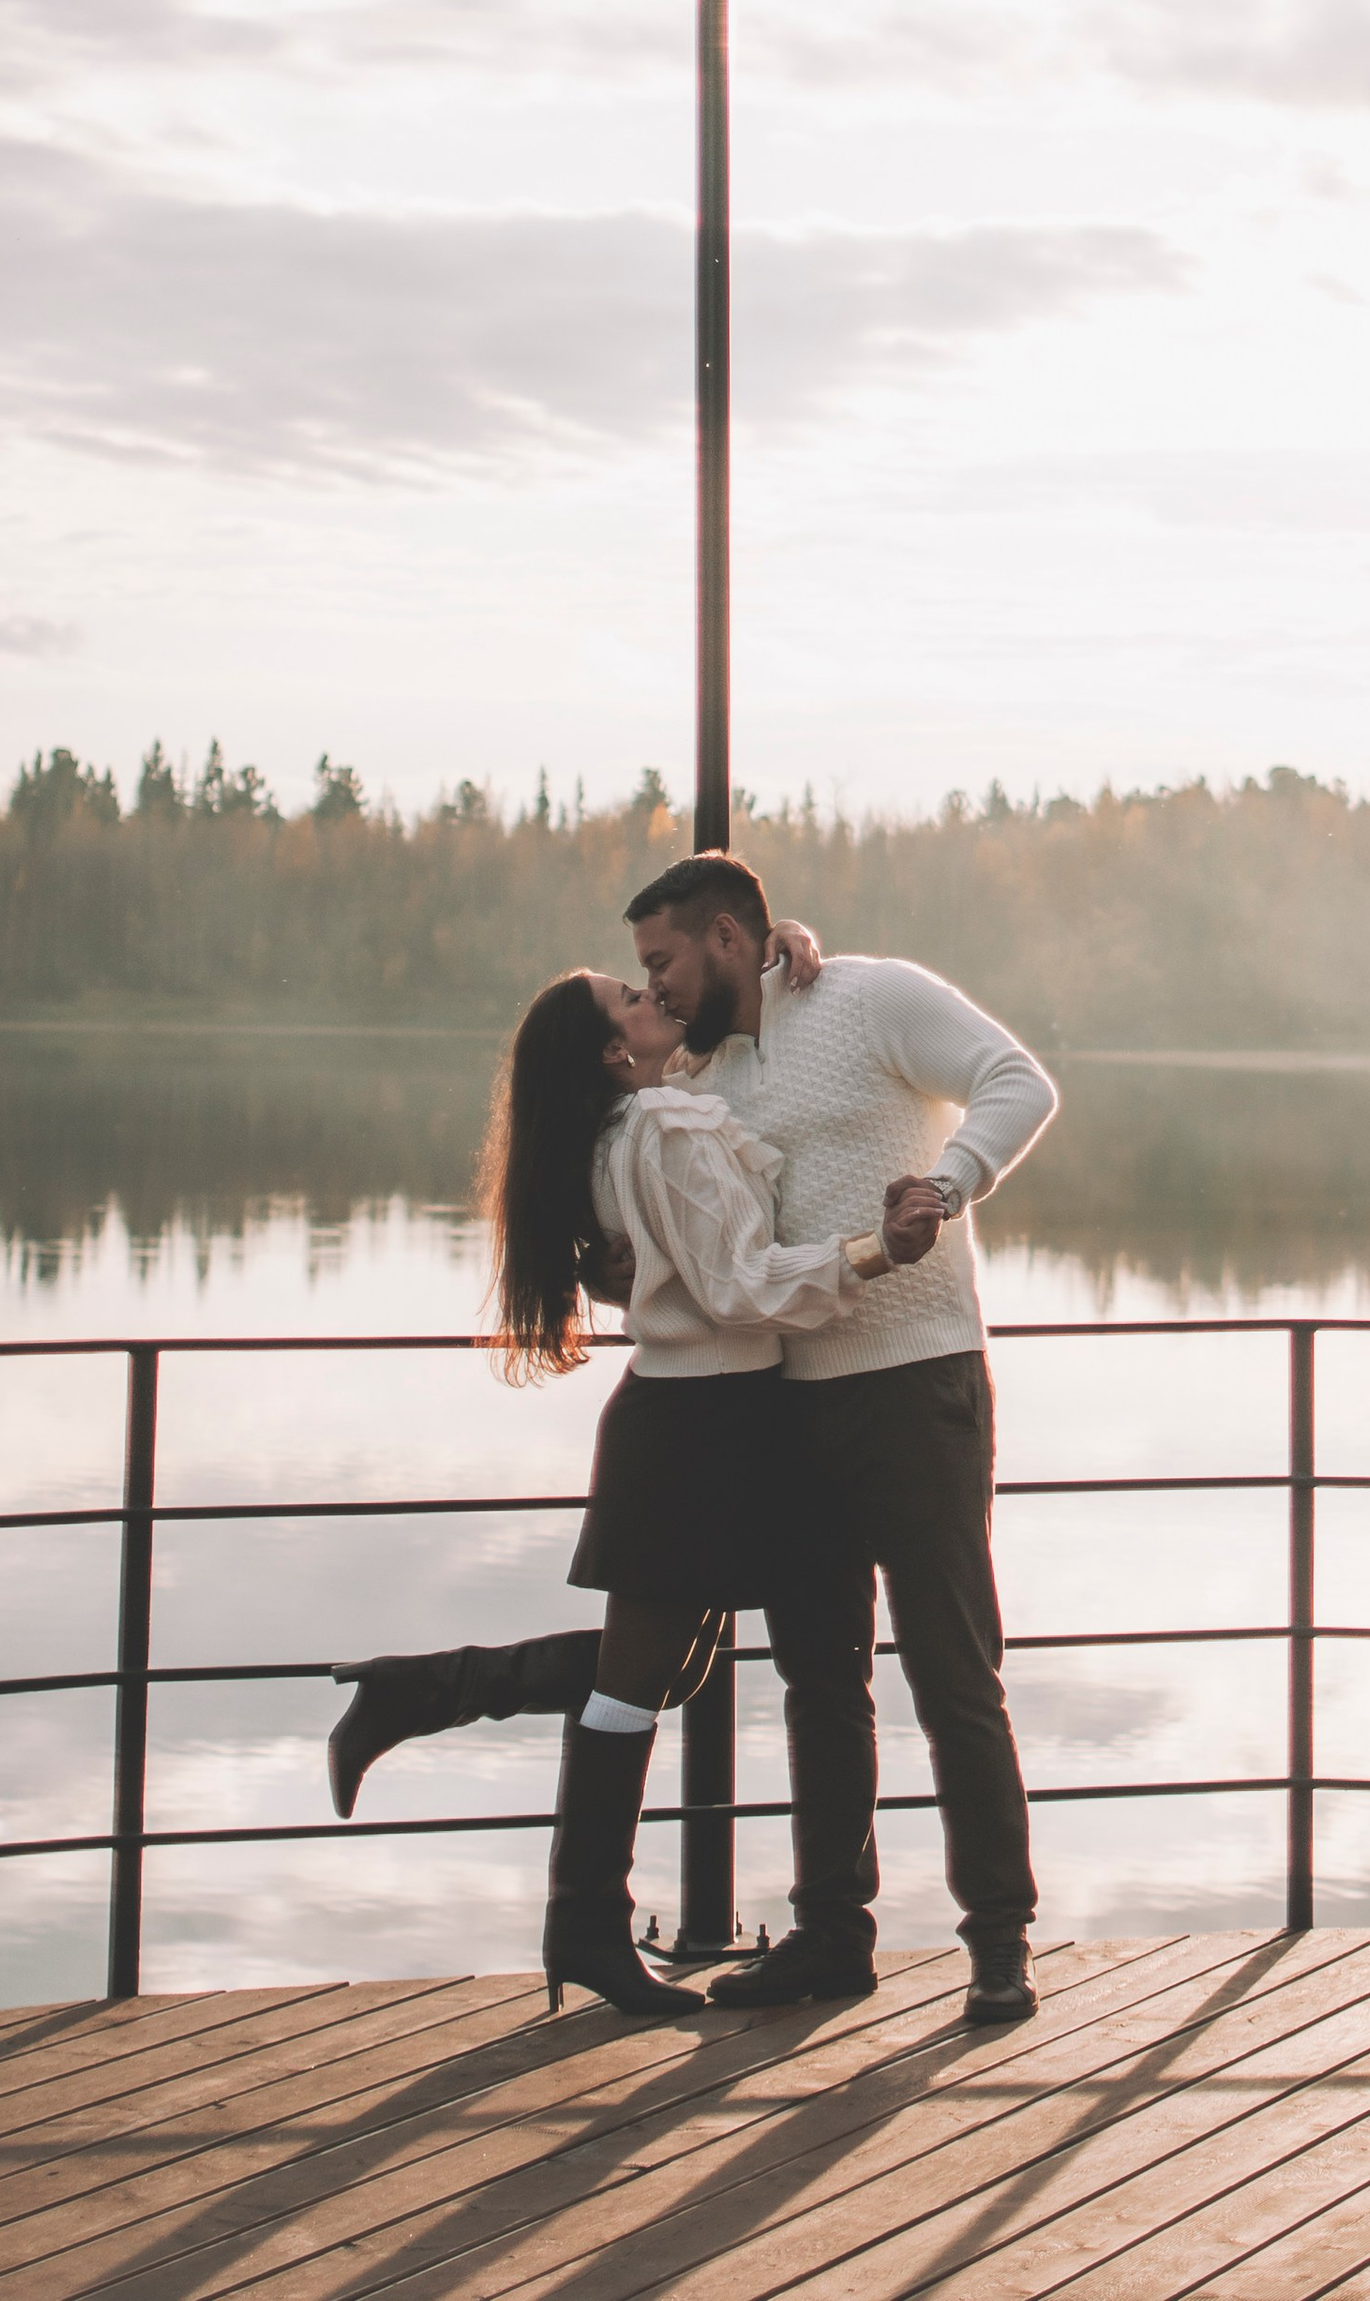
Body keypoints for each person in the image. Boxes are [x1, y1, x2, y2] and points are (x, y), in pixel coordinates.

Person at [323, 931, 933, 2020]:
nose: (653, 994)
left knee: (673, 1674)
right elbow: (742, 1283)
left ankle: (425, 1690)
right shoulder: (659, 1123)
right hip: (695, 1425)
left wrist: (783, 945)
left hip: (705, 1419)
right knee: (630, 1690)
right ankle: (587, 1928)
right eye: (631, 997)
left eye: (648, 977)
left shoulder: (642, 1116)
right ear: (614, 1053)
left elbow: (713, 1059)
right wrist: (874, 1250)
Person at [622, 850, 1059, 2029]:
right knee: (820, 1681)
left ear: (726, 937)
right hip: (787, 1401)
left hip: (918, 1385)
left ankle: (997, 1944)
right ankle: (830, 1936)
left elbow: (1017, 1081)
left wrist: (946, 1182)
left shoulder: (871, 995)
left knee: (952, 1673)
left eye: (663, 960)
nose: (652, 987)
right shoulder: (707, 1065)